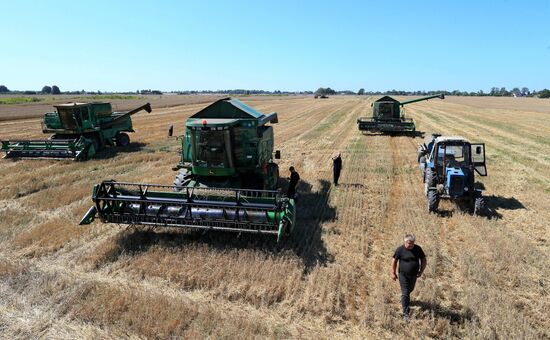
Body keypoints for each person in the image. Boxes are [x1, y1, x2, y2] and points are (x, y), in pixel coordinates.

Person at [391, 234, 427, 320]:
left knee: (410, 289)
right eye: (408, 243)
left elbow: (423, 260)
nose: (410, 245)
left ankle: (404, 299)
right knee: (406, 292)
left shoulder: (418, 249)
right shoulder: (400, 250)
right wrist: (393, 272)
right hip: (403, 275)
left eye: (412, 243)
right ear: (405, 242)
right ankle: (406, 314)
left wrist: (421, 271)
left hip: (414, 275)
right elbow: (394, 261)